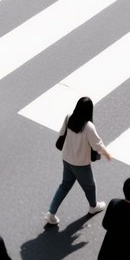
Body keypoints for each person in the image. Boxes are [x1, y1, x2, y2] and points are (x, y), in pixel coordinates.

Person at [46, 96, 111, 225]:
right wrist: (107, 154)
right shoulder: (88, 126)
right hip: (81, 164)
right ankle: (93, 207)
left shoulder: (69, 117)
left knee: (64, 185)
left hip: (66, 159)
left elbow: (61, 134)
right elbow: (98, 145)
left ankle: (51, 213)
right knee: (90, 186)